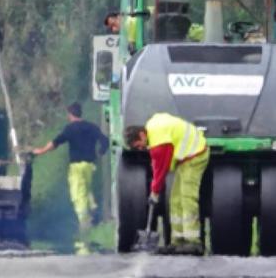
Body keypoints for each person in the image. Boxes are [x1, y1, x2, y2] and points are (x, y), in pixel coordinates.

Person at [126, 112, 210, 254]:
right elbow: (158, 164)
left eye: (139, 145)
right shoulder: (152, 126)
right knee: (175, 199)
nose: (141, 149)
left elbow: (162, 169)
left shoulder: (159, 143)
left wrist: (154, 192)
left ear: (141, 134)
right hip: (185, 159)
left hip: (196, 154)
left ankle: (194, 242)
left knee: (187, 196)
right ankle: (178, 241)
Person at [31, 102, 109, 240]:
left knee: (77, 194)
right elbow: (104, 140)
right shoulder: (92, 127)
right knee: (86, 188)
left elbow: (56, 142)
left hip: (77, 167)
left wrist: (41, 151)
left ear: (70, 114)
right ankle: (93, 207)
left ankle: (84, 224)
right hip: (90, 166)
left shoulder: (70, 129)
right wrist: (101, 152)